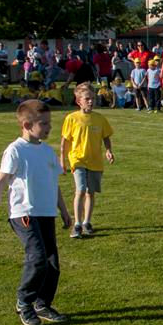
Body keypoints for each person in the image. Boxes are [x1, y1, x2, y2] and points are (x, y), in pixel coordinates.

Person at [0, 100, 72, 325]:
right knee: (38, 258)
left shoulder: (47, 151)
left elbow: (53, 184)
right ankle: (24, 302)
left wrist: (63, 210)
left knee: (52, 263)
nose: (49, 127)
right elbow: (1, 182)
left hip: (46, 213)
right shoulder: (15, 150)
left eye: (49, 122)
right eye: (44, 124)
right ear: (27, 125)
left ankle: (42, 303)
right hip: (24, 214)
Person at [60, 83, 115, 239]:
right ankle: (77, 225)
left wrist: (109, 151)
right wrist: (62, 160)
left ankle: (87, 222)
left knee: (90, 192)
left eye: (93, 99)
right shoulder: (72, 118)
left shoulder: (100, 119)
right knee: (81, 190)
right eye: (87, 99)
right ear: (79, 101)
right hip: (77, 159)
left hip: (95, 161)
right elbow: (64, 142)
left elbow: (106, 136)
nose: (91, 101)